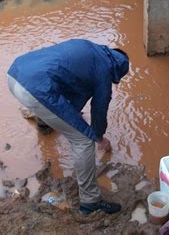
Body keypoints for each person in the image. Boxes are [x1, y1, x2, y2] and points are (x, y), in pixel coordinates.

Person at [7, 39, 129, 215]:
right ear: (118, 70)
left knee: (55, 103)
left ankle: (44, 124)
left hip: (15, 74)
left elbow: (68, 82)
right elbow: (99, 107)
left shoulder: (89, 48)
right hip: (36, 90)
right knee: (84, 140)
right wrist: (99, 137)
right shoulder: (105, 69)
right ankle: (90, 201)